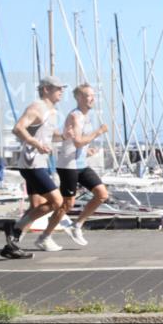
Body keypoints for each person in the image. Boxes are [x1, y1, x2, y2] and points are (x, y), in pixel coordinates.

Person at [1, 76, 67, 258]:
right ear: (46, 89)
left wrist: (64, 136)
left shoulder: (51, 111)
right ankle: (14, 229)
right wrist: (36, 144)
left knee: (36, 206)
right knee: (57, 202)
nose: (61, 91)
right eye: (58, 88)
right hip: (31, 165)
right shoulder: (37, 107)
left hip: (39, 164)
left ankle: (12, 247)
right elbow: (18, 128)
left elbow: (48, 135)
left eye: (62, 88)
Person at [56, 84, 110, 245]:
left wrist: (87, 151)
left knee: (102, 194)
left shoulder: (87, 116)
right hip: (69, 165)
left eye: (93, 95)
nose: (92, 98)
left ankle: (77, 225)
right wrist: (98, 132)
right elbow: (78, 142)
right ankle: (45, 236)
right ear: (79, 98)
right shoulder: (75, 116)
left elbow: (79, 144)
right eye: (88, 95)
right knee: (67, 204)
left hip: (81, 164)